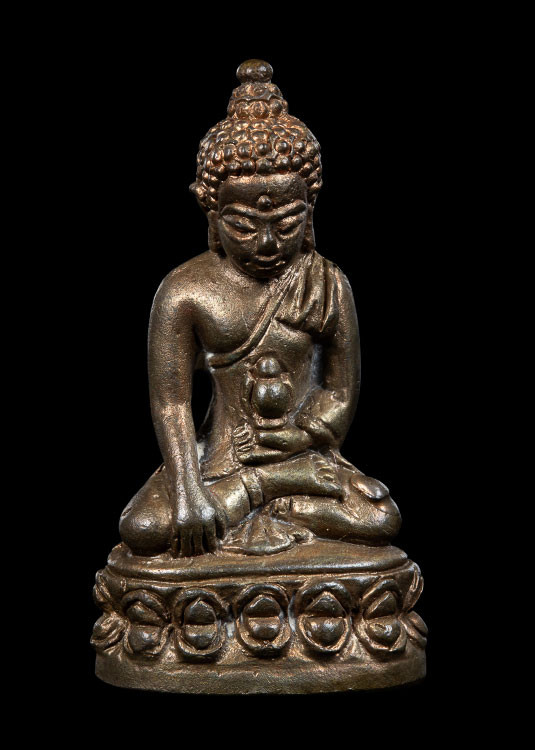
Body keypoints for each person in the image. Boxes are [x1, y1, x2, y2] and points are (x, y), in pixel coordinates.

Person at [119, 60, 401, 558]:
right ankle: (266, 489)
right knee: (143, 528)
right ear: (211, 213)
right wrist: (187, 490)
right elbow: (171, 403)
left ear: (310, 211)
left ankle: (271, 494)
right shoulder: (185, 290)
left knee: (381, 517)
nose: (268, 244)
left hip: (299, 452)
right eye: (244, 226)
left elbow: (339, 388)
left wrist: (300, 436)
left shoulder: (326, 283)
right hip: (219, 461)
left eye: (287, 224)